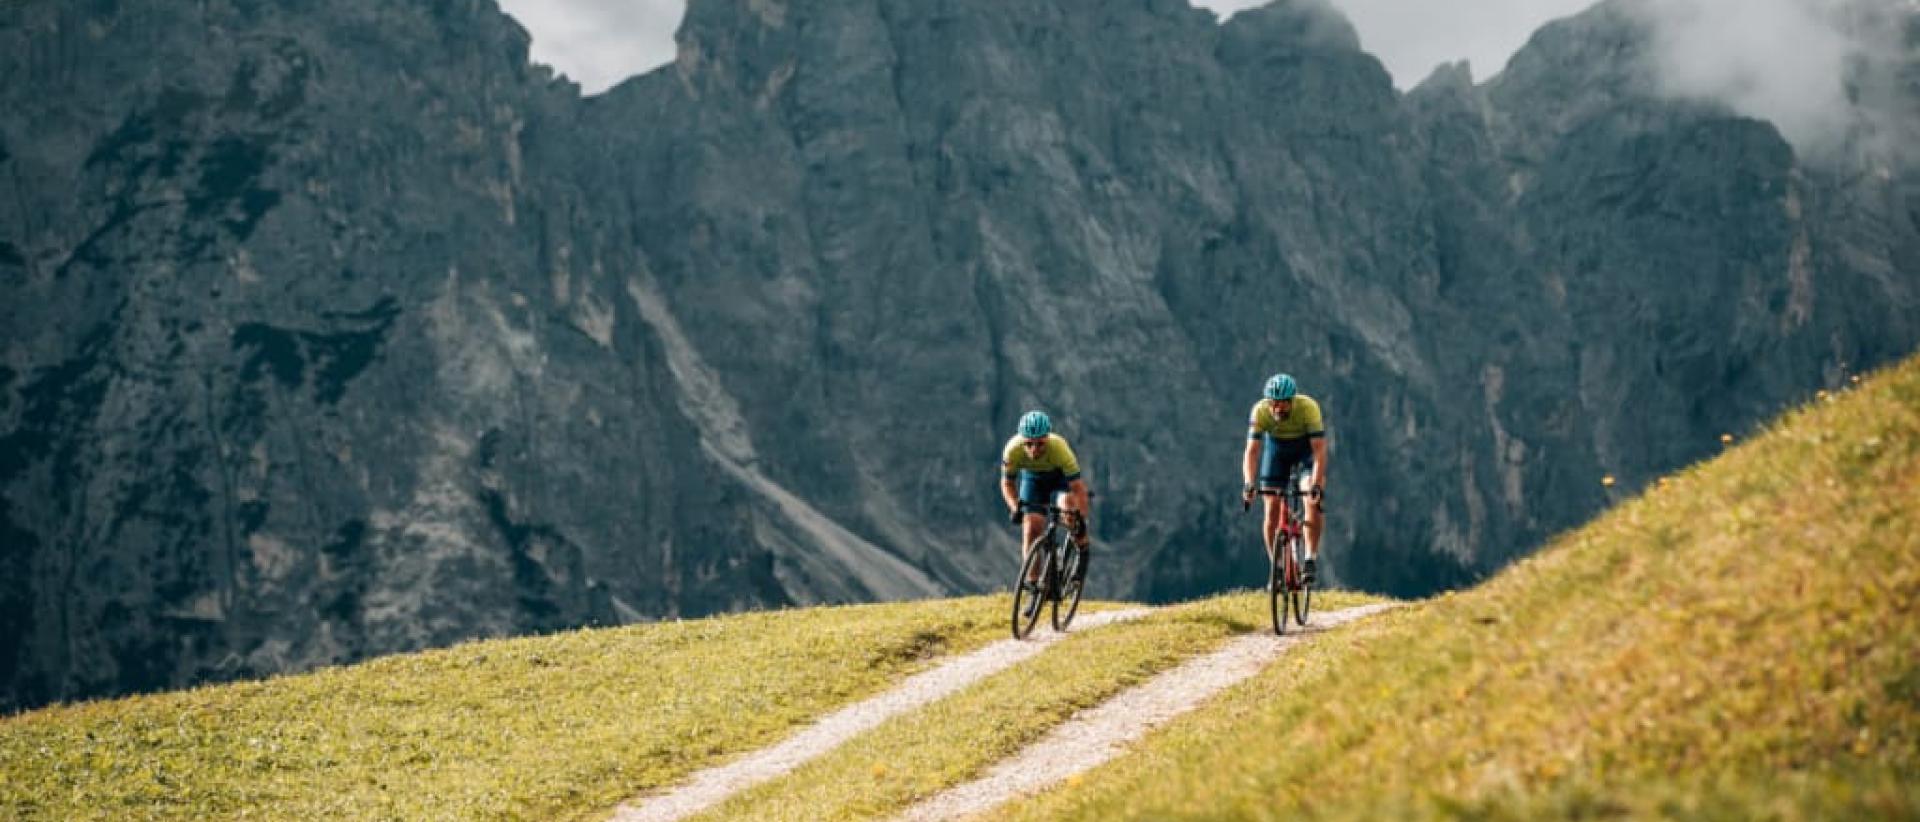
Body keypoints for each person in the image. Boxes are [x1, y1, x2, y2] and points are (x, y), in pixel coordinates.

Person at [1240, 373, 1328, 581]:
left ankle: (1309, 559)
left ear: (1293, 401)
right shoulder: (1260, 411)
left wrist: (1315, 483)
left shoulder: (1308, 408)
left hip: (1305, 451)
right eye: (1274, 404)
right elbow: (1251, 451)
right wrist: (1249, 483)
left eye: (1283, 404)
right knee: (1271, 509)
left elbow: (1319, 450)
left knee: (1311, 501)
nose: (1278, 408)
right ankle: (1277, 565)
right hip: (1277, 451)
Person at [1000, 411, 1092, 588]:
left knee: (1068, 508)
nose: (1034, 449)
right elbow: (1007, 483)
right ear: (1022, 440)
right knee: (1031, 528)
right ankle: (1034, 584)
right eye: (1029, 444)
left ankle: (1082, 550)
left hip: (1060, 477)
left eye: (1040, 444)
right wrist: (1014, 507)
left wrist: (1081, 517)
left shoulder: (1060, 448)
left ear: (1048, 439)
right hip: (1033, 479)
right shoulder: (1012, 450)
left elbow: (1078, 488)